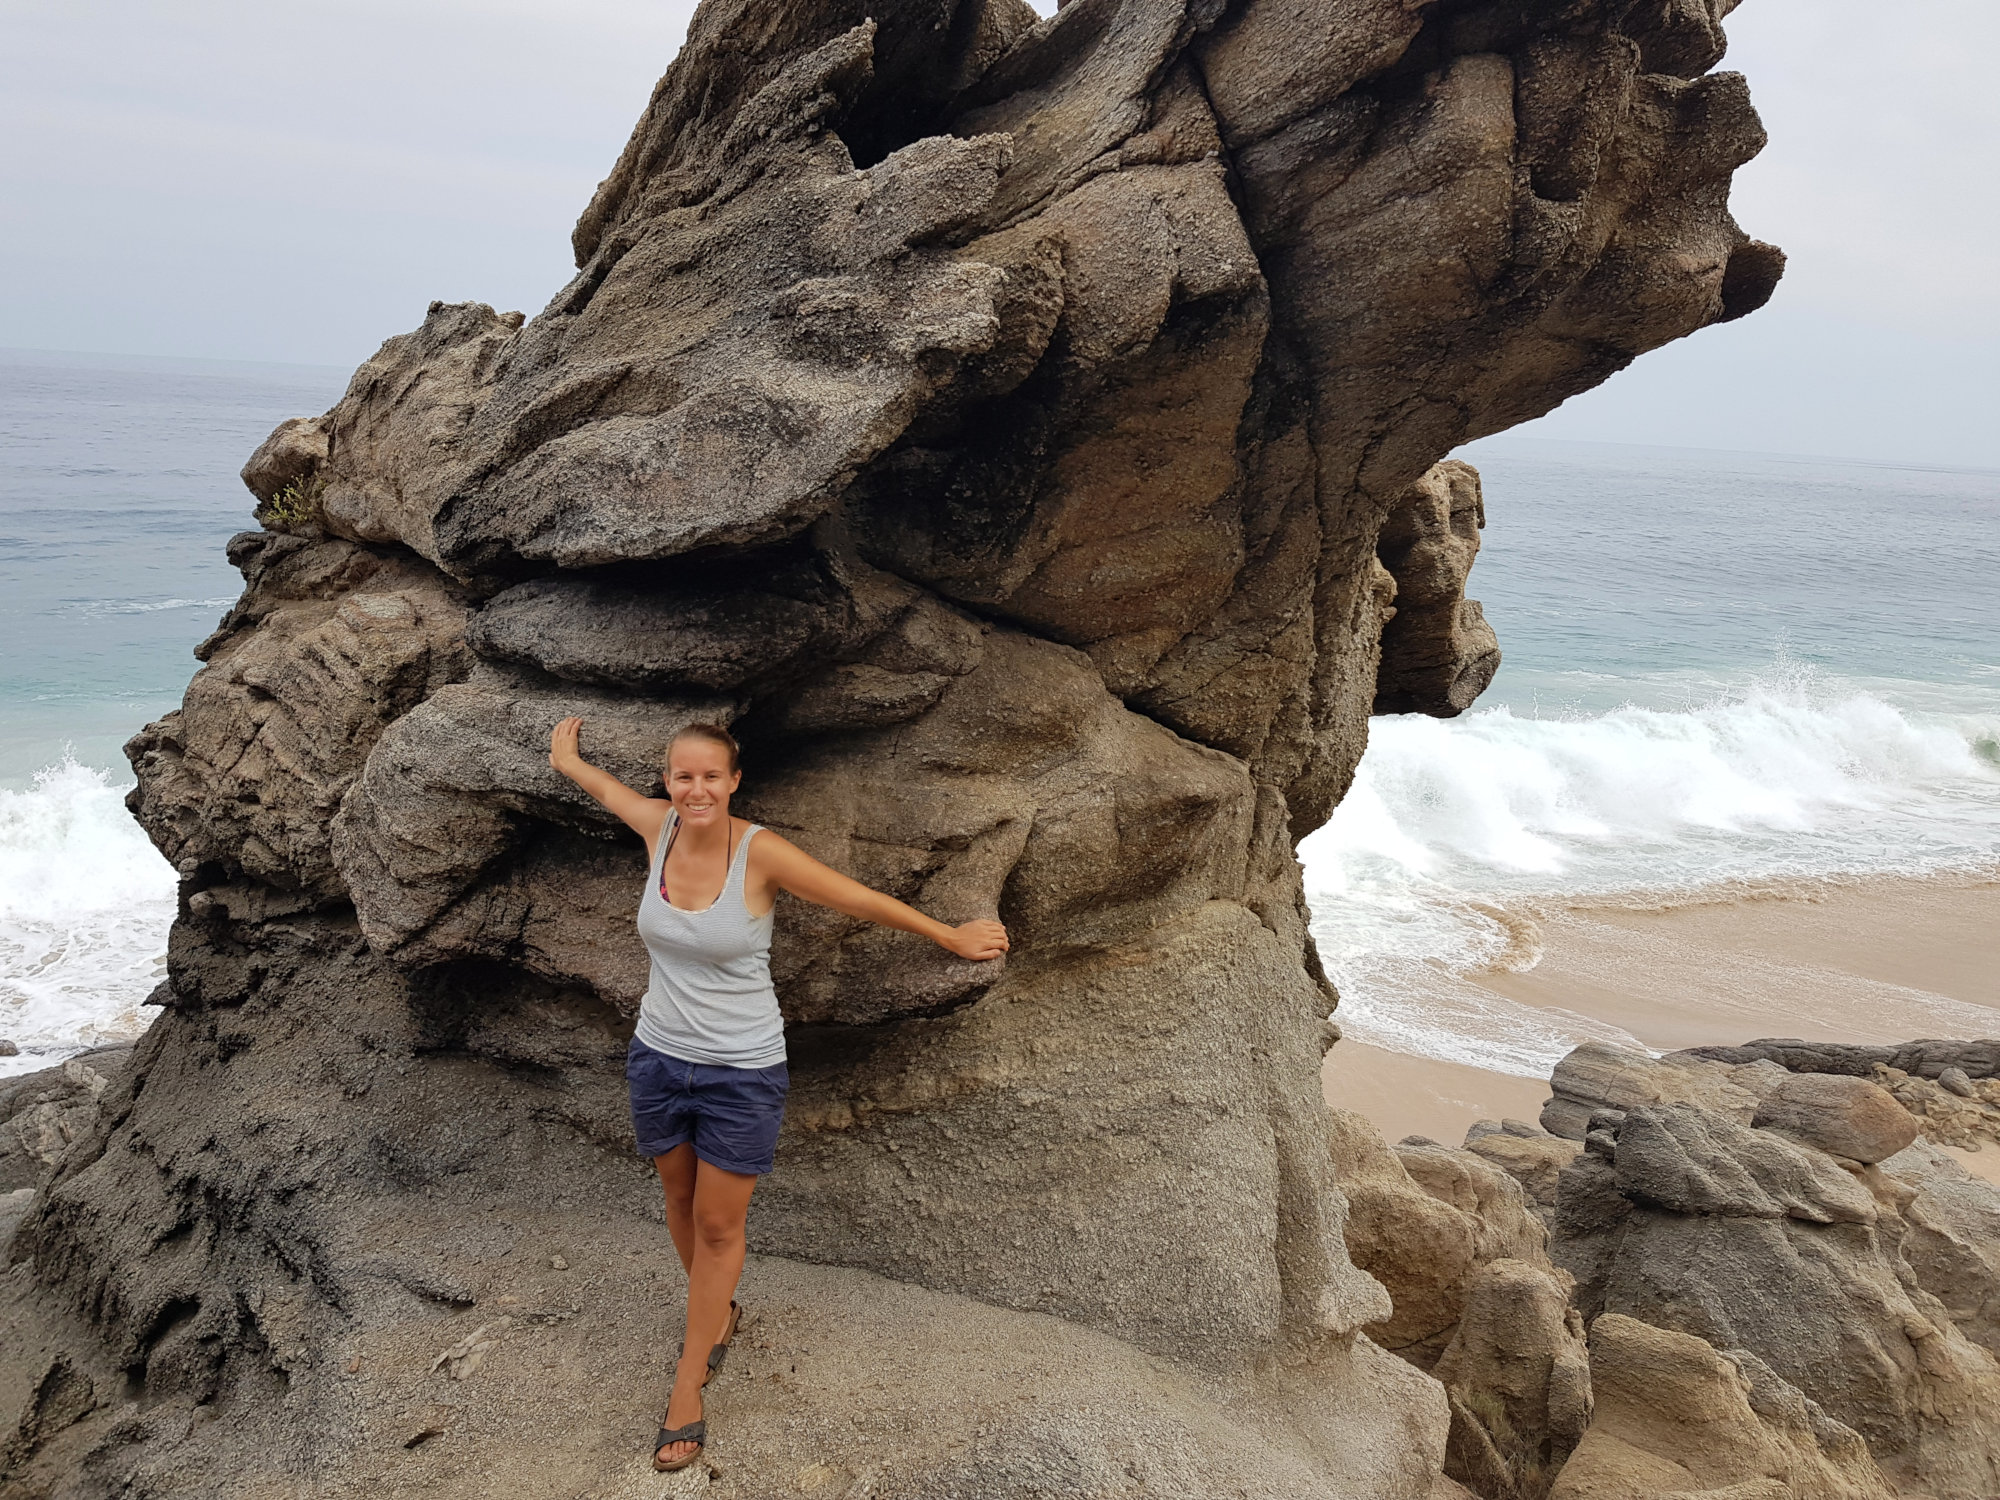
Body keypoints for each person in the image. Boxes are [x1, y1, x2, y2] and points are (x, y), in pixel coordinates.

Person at [548, 716, 1009, 1473]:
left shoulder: (759, 853)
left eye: (711, 776)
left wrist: (948, 936)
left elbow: (856, 899)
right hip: (657, 1057)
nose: (696, 789)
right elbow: (606, 790)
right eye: (683, 776)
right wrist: (568, 760)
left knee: (718, 1226)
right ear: (668, 781)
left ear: (734, 782)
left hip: (740, 1071)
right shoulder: (658, 827)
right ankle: (718, 1314)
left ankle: (687, 1385)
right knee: (677, 1199)